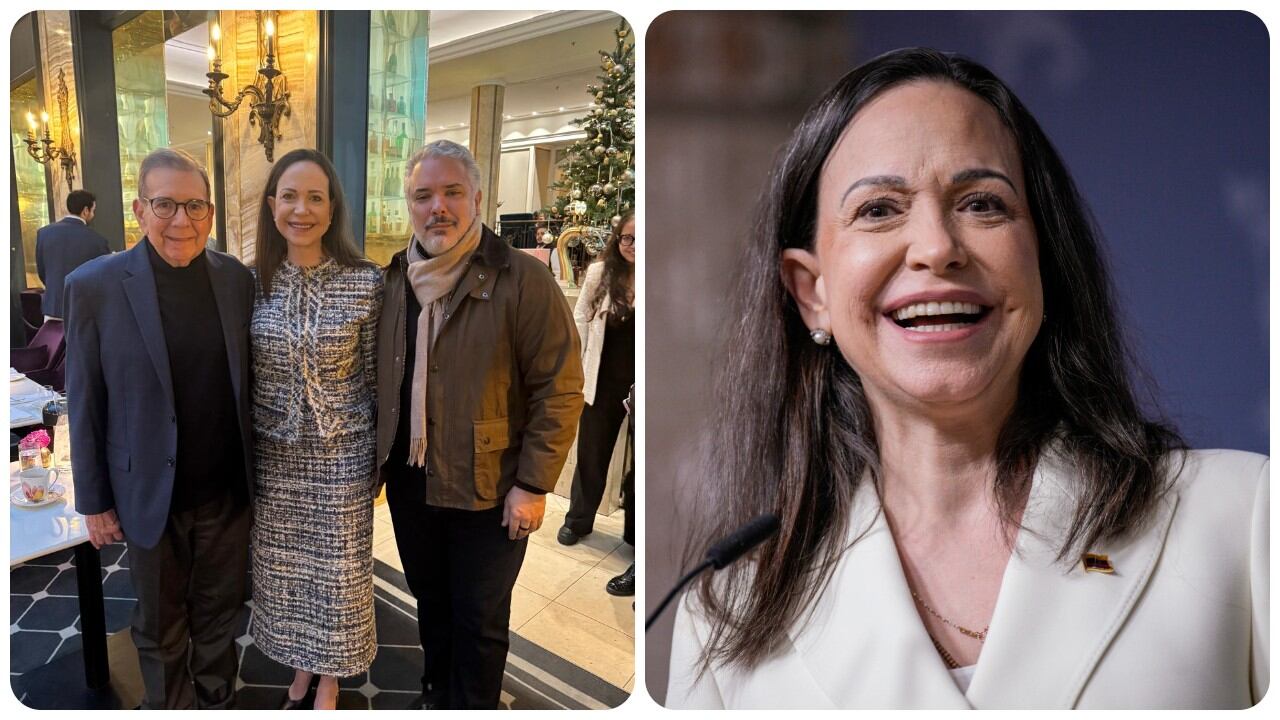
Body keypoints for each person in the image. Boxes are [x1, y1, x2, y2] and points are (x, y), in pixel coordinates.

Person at [664, 48, 1268, 709]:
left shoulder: (1244, 517)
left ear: (1042, 257)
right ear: (813, 294)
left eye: (982, 203)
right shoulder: (728, 612)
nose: (936, 246)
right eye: (879, 209)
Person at [375, 139, 584, 709]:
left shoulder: (521, 279)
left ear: (478, 198)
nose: (436, 206)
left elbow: (560, 388)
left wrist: (534, 484)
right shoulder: (396, 279)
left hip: (491, 490)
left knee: (481, 619)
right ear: (409, 204)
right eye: (423, 195)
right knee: (431, 603)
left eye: (451, 192)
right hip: (414, 483)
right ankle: (436, 693)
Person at [65, 148, 254, 709]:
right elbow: (85, 400)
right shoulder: (94, 286)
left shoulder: (236, 279)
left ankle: (216, 698)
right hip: (146, 493)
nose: (181, 221)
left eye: (194, 206)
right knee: (159, 622)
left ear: (211, 212)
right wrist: (94, 499)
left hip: (225, 493)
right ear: (139, 209)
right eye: (165, 204)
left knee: (220, 613)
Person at [247, 149, 383, 710]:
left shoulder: (366, 283)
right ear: (272, 205)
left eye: (315, 197)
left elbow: (377, 381)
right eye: (289, 196)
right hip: (273, 457)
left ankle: (329, 674)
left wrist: (377, 466)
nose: (301, 209)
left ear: (332, 209)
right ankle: (300, 661)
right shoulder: (250, 281)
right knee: (285, 572)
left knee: (338, 575)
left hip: (342, 457)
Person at [557, 214, 637, 596]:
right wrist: (576, 372)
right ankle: (579, 520)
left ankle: (637, 538)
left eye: (642, 239)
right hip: (602, 382)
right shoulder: (601, 273)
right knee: (591, 455)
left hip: (645, 389)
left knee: (642, 468)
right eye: (627, 239)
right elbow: (580, 322)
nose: (634, 246)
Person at [35, 188, 111, 318]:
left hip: (53, 306)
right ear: (85, 211)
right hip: (83, 310)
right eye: (93, 210)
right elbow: (103, 277)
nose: (93, 214)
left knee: (51, 339)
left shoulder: (44, 233)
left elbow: (42, 270)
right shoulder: (97, 240)